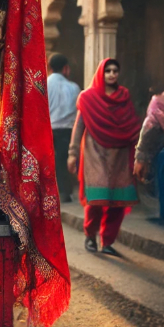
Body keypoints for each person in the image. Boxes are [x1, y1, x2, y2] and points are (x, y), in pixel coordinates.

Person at [67, 58, 141, 255]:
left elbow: (132, 124)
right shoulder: (88, 98)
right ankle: (90, 236)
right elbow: (79, 127)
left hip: (120, 154)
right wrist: (72, 153)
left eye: (115, 71)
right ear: (101, 73)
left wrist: (139, 157)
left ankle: (107, 242)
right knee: (96, 200)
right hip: (95, 153)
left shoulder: (124, 96)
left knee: (117, 201)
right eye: (107, 71)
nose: (111, 74)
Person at [46, 54, 81, 202]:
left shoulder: (44, 85)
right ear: (65, 68)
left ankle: (51, 194)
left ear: (49, 67)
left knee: (48, 162)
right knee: (64, 161)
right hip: (68, 130)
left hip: (48, 129)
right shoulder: (74, 88)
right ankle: (65, 192)